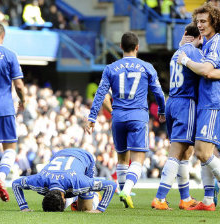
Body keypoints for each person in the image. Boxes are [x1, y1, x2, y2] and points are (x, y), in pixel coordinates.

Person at [85, 31, 165, 208]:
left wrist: (92, 117)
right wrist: (162, 110)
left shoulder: (110, 68)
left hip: (118, 117)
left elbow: (100, 94)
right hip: (138, 116)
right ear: (137, 47)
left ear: (120, 47)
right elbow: (158, 93)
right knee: (138, 158)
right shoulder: (147, 67)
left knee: (122, 159)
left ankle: (124, 196)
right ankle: (126, 191)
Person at [151, 23, 203, 210]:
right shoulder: (195, 52)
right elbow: (205, 70)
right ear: (199, 37)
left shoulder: (177, 52)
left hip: (172, 101)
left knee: (185, 153)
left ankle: (185, 198)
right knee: (177, 151)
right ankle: (160, 198)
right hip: (185, 102)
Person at [178, 2, 220, 211]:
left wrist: (185, 60)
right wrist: (184, 46)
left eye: (204, 21)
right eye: (198, 22)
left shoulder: (217, 42)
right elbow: (208, 71)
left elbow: (206, 71)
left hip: (212, 102)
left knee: (203, 152)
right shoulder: (208, 43)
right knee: (205, 155)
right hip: (205, 102)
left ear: (214, 20)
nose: (200, 25)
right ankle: (208, 201)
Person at [12, 148, 117, 213]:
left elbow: (111, 185)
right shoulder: (39, 180)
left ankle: (93, 195)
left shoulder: (79, 182)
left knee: (85, 209)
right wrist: (23, 207)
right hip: (60, 154)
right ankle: (73, 198)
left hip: (84, 156)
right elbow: (15, 184)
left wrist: (100, 209)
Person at [0, 23, 25, 202]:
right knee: (10, 148)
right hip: (4, 107)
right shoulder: (9, 54)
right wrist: (23, 100)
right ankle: (1, 176)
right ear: (3, 35)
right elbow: (19, 85)